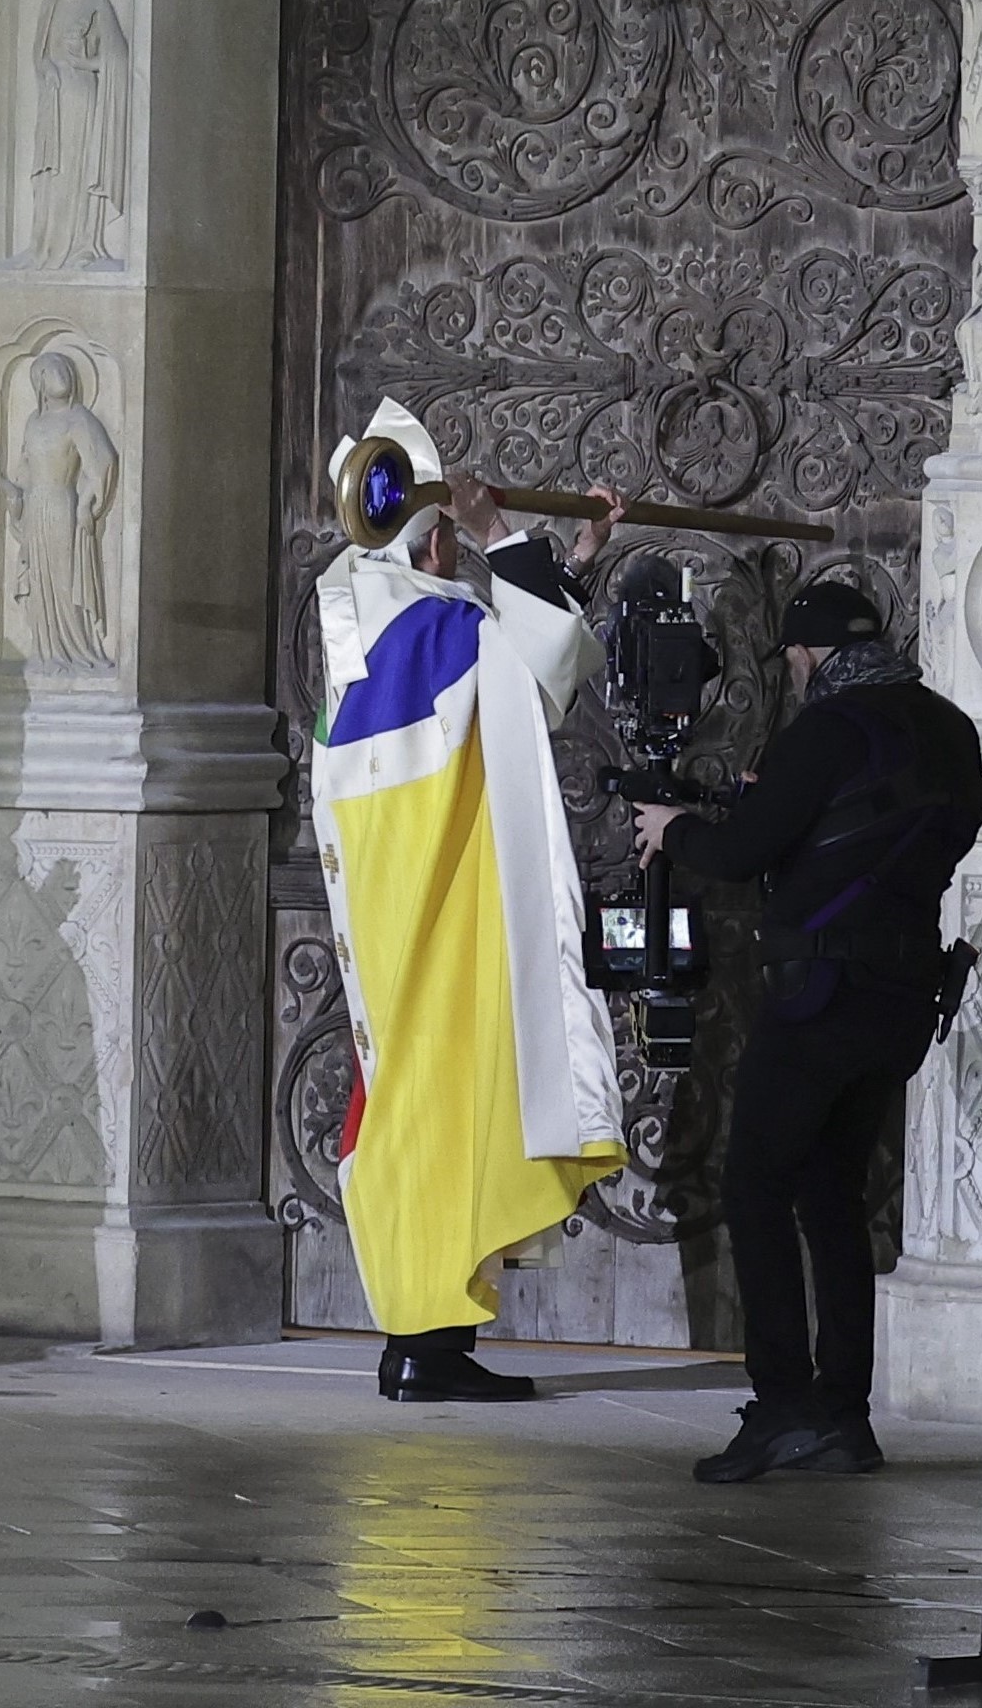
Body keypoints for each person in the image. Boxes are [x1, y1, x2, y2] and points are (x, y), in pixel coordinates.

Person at [638, 575, 982, 1484]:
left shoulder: (829, 727)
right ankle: (843, 1416)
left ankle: (783, 1406)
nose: (793, 669)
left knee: (755, 1185)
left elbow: (738, 852)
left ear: (809, 652)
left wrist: (672, 828)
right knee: (831, 1193)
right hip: (903, 992)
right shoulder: (946, 725)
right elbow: (889, 839)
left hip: (819, 991)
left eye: (794, 656)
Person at [313, 404, 623, 1405]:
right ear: (434, 533)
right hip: (451, 913)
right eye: (449, 533)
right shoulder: (435, 625)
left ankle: (424, 1339)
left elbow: (523, 653)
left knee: (415, 1105)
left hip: (397, 913)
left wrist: (569, 553)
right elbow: (539, 670)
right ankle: (427, 1342)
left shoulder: (361, 629)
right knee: (449, 1110)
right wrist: (508, 539)